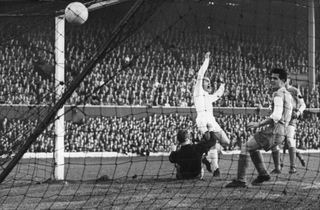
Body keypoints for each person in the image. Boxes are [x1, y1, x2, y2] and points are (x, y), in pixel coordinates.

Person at [226, 68, 292, 188]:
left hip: (274, 130)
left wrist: (258, 124)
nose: (271, 80)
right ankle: (263, 174)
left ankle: (241, 180)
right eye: (271, 78)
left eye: (275, 78)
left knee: (245, 147)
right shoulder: (287, 95)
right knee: (252, 148)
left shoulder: (277, 94)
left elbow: (276, 116)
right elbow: (281, 114)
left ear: (283, 80)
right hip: (282, 132)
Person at [193, 52, 230, 177]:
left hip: (212, 120)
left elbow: (218, 94)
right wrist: (207, 59)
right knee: (212, 142)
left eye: (209, 81)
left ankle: (206, 157)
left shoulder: (209, 96)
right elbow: (200, 74)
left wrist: (223, 84)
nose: (209, 83)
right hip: (203, 120)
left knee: (226, 141)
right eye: (206, 81)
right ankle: (215, 169)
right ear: (201, 83)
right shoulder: (198, 91)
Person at [271, 75, 306, 174]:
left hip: (291, 120)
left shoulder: (294, 90)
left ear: (288, 80)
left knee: (290, 140)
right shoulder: (277, 91)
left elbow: (303, 104)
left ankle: (293, 167)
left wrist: (298, 112)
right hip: (281, 120)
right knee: (276, 142)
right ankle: (278, 166)